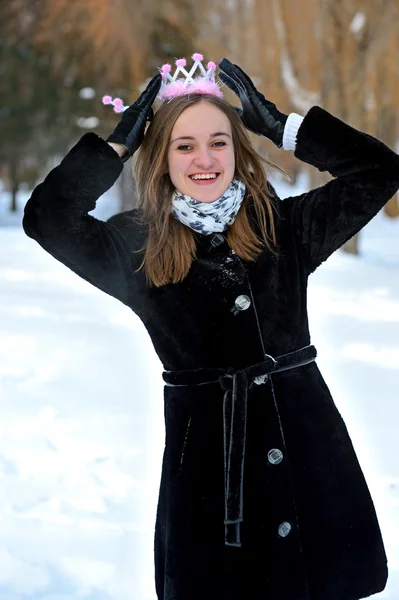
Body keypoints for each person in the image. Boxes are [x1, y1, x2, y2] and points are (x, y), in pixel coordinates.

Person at [22, 53, 399, 600]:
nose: (205, 158)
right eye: (185, 145)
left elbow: (380, 172)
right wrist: (116, 146)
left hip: (307, 454)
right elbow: (47, 218)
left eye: (219, 141)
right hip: (208, 473)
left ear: (237, 149)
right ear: (163, 159)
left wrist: (284, 128)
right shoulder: (136, 248)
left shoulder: (282, 229)